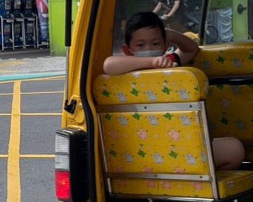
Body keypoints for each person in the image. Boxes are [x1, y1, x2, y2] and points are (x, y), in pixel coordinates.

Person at [104, 11, 245, 171]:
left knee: (234, 149)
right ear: (128, 49)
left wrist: (170, 34)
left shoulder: (170, 62)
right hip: (148, 150)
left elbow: (192, 49)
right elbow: (108, 64)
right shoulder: (125, 68)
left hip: (182, 146)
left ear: (165, 45)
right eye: (141, 45)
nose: (149, 48)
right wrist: (152, 61)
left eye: (155, 43)